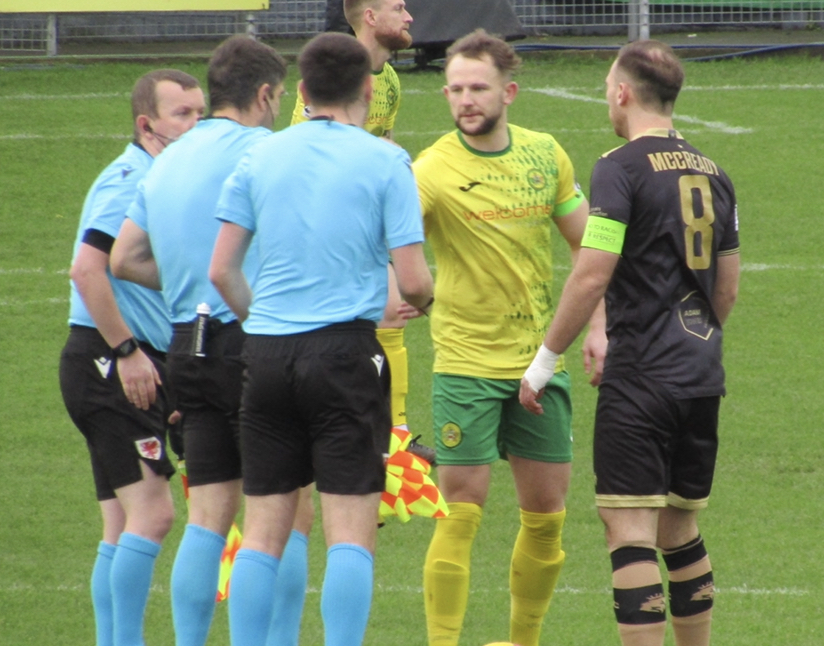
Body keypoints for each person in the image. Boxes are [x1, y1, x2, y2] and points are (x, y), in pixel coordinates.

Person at [208, 32, 434, 646]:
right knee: (350, 533)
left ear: (302, 92)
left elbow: (221, 270)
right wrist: (425, 300)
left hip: (269, 355)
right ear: (367, 89)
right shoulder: (387, 161)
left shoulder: (260, 157)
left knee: (263, 531)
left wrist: (263, 325)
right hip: (345, 354)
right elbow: (412, 281)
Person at [519, 40, 739, 646]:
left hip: (641, 378)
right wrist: (693, 343)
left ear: (622, 93)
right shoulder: (715, 172)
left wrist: (542, 363)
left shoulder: (619, 167)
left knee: (629, 530)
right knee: (681, 529)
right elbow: (727, 290)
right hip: (700, 374)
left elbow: (593, 271)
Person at [406, 29, 606, 646]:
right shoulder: (431, 169)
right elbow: (391, 252)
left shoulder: (546, 154)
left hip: (540, 365)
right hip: (464, 363)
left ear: (509, 92)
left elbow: (588, 245)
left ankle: (524, 642)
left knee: (547, 517)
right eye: (456, 89)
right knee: (461, 511)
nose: (465, 99)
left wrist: (597, 325)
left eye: (478, 88)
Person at [109, 36, 301, 646]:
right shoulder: (268, 152)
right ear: (266, 94)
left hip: (185, 346)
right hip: (251, 342)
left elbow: (123, 258)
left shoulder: (167, 160)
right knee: (283, 518)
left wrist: (186, 276)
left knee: (208, 518)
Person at [59, 69, 204, 646]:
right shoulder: (130, 181)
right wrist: (126, 352)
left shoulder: (160, 176)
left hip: (114, 360)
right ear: (148, 125)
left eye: (201, 112)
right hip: (109, 361)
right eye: (183, 115)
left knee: (120, 525)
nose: (196, 125)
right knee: (154, 516)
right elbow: (86, 270)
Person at [292, 0, 418, 437]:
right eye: (399, 8)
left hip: (367, 216)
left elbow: (385, 139)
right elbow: (305, 146)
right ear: (370, 17)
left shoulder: (392, 80)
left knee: (394, 310)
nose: (409, 17)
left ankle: (396, 432)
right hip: (324, 222)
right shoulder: (333, 76)